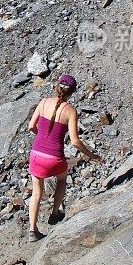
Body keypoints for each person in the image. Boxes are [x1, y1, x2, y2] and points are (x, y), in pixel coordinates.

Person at [26, 74, 101, 241]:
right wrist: (92, 155)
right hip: (55, 158)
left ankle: (32, 230)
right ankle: (54, 213)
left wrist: (42, 138)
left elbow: (31, 126)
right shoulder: (71, 111)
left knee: (36, 193)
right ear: (72, 92)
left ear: (56, 86)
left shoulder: (43, 102)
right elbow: (75, 141)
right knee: (61, 179)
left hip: (37, 155)